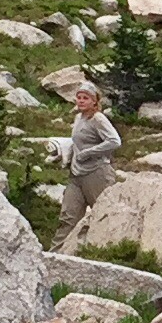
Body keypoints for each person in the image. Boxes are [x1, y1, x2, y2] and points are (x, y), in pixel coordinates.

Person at [62, 84, 119, 232]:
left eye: (85, 98)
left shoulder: (98, 119)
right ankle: (58, 252)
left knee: (103, 214)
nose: (81, 101)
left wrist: (89, 152)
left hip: (97, 172)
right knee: (67, 216)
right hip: (76, 173)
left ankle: (105, 249)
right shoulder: (78, 118)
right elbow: (77, 142)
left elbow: (114, 141)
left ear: (94, 101)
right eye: (79, 97)